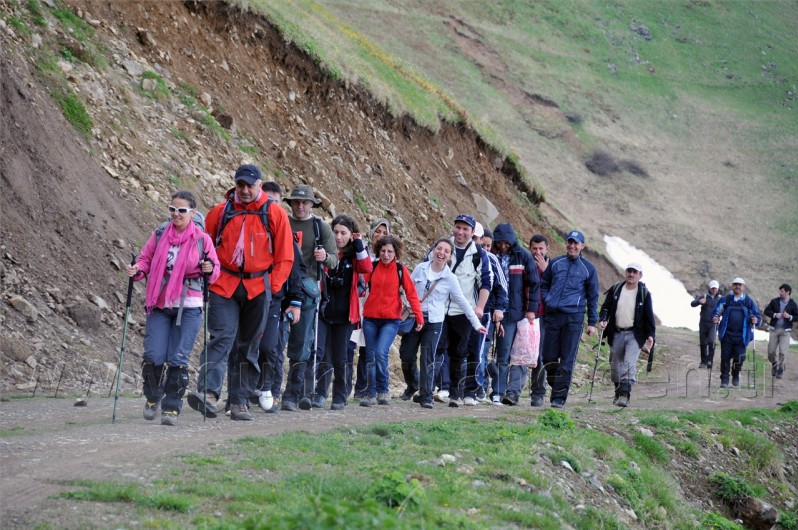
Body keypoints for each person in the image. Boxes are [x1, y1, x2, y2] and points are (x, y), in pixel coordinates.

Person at [187, 165, 294, 421]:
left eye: (250, 185)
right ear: (235, 185)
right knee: (221, 337)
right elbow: (204, 245)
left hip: (259, 287)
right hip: (224, 283)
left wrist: (274, 286)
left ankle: (239, 401)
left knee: (249, 345)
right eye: (240, 185)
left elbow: (285, 256)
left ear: (260, 185)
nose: (245, 190)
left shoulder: (275, 213)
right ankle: (209, 392)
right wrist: (207, 270)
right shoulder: (220, 212)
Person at [128, 191, 220, 426]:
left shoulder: (202, 239)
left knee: (178, 356)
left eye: (181, 210)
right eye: (172, 209)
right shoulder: (160, 234)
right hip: (160, 303)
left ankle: (171, 407)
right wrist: (137, 270)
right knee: (153, 355)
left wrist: (209, 269)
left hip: (189, 305)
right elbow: (145, 259)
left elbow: (215, 271)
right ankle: (152, 398)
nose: (176, 214)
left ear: (192, 212)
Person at [400, 238, 487, 408]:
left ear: (449, 257)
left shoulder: (450, 278)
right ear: (433, 250)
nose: (441, 253)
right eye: (439, 249)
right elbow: (406, 289)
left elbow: (463, 301)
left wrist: (476, 324)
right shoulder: (420, 269)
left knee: (428, 357)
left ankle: (426, 396)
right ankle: (413, 384)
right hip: (414, 317)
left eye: (446, 251)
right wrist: (406, 305)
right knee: (406, 355)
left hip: (434, 322)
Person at [281, 184, 338, 412]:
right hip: (280, 286)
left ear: (312, 204)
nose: (300, 206)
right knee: (273, 342)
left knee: (302, 342)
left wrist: (324, 256)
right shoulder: (282, 222)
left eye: (305, 202)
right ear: (291, 203)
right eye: (296, 202)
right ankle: (267, 389)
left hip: (307, 289)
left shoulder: (320, 227)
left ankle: (294, 393)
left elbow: (333, 259)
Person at [253, 181, 303, 413]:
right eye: (266, 200)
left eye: (274, 201)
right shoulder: (251, 225)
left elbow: (295, 269)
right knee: (248, 344)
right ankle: (245, 392)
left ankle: (271, 391)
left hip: (278, 300)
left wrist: (294, 302)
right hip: (253, 295)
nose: (269, 205)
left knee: (273, 346)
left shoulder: (283, 231)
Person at [312, 215, 372, 409]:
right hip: (323, 312)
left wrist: (358, 244)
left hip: (345, 314)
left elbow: (366, 267)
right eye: (336, 232)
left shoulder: (354, 256)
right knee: (322, 355)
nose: (338, 237)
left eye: (343, 233)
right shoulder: (325, 252)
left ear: (350, 235)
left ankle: (339, 396)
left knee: (340, 357)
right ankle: (320, 393)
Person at [437, 214, 493, 407]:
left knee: (460, 352)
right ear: (453, 228)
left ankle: (456, 392)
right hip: (440, 308)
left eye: (465, 229)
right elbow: (428, 269)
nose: (461, 232)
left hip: (463, 311)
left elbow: (486, 281)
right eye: (458, 227)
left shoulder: (479, 254)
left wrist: (479, 307)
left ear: (472, 232)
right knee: (437, 349)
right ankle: (429, 390)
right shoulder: (442, 247)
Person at [361, 235, 423, 406]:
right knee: (370, 356)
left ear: (396, 253)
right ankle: (370, 393)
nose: (386, 254)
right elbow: (360, 286)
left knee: (380, 353)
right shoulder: (372, 267)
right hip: (370, 318)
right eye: (383, 251)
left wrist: (419, 317)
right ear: (378, 251)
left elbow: (411, 294)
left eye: (390, 251)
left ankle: (383, 390)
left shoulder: (400, 270)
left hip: (391, 320)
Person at [540, 230, 599, 408]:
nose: (572, 246)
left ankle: (558, 398)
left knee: (567, 359)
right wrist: (547, 299)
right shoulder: (556, 263)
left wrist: (592, 323)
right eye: (570, 242)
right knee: (548, 358)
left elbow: (593, 296)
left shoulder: (588, 269)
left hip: (574, 318)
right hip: (553, 316)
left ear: (582, 246)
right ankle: (558, 384)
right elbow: (544, 284)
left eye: (576, 243)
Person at [488, 223, 539, 407]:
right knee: (493, 353)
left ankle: (505, 392)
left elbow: (534, 284)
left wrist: (531, 310)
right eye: (500, 242)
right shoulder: (491, 255)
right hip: (492, 309)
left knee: (510, 354)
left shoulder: (522, 256)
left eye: (506, 243)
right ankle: (494, 390)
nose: (503, 246)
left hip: (513, 314)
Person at [598, 263, 656, 407]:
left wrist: (650, 335)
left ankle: (625, 395)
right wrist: (603, 318)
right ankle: (618, 392)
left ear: (640, 275)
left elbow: (649, 316)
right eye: (629, 271)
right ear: (626, 273)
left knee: (629, 364)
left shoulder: (644, 294)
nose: (631, 274)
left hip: (635, 335)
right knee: (615, 367)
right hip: (616, 332)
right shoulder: (616, 289)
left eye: (635, 272)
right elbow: (606, 307)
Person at [352, 218, 391, 400]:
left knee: (373, 350)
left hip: (379, 309)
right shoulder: (362, 250)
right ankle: (360, 387)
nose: (380, 235)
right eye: (378, 231)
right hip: (358, 304)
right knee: (359, 347)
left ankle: (372, 388)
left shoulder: (389, 255)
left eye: (385, 233)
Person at [711, 277, 762, 389]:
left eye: (739, 285)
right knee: (725, 358)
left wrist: (756, 320)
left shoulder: (748, 301)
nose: (737, 287)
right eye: (735, 284)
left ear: (743, 287)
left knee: (740, 358)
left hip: (742, 336)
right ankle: (724, 380)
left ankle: (735, 374)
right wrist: (715, 318)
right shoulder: (726, 300)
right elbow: (716, 312)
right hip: (727, 334)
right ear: (732, 286)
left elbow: (757, 316)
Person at [528, 234, 549, 407]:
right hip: (526, 315)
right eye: (535, 248)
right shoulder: (526, 264)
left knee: (540, 356)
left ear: (546, 249)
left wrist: (545, 270)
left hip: (544, 317)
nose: (538, 252)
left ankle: (538, 392)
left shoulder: (553, 267)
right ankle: (512, 391)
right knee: (522, 353)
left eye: (541, 248)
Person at [763, 284, 796, 379]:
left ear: (787, 292)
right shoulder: (774, 301)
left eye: (782, 291)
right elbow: (766, 311)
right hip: (774, 330)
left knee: (783, 352)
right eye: (780, 291)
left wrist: (790, 317)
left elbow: (797, 316)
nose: (780, 293)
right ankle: (774, 364)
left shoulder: (793, 304)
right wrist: (774, 315)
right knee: (771, 351)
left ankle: (780, 369)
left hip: (785, 331)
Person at [691, 280, 721, 368]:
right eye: (712, 288)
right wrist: (699, 302)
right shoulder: (704, 296)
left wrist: (719, 317)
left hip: (713, 324)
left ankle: (710, 361)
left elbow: (724, 309)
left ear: (718, 288)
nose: (714, 290)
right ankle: (703, 362)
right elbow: (692, 304)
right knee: (703, 343)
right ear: (709, 288)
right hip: (703, 323)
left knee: (712, 341)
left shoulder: (720, 298)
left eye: (715, 288)